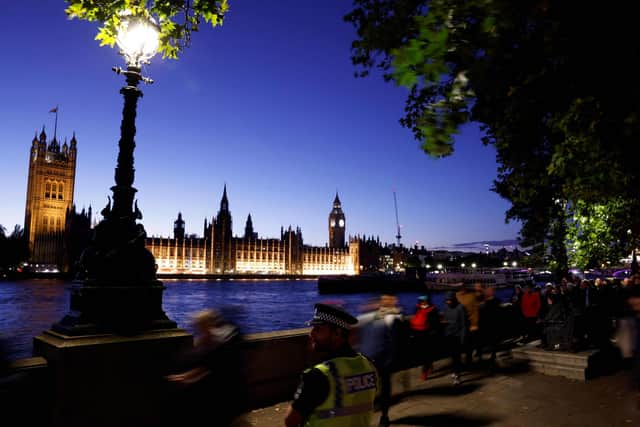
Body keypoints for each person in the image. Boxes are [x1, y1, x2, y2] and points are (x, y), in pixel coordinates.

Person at [285, 303, 379, 427]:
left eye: (318, 329)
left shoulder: (319, 375)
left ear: (337, 333)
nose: (311, 334)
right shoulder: (369, 366)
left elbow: (290, 421)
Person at [165, 309, 246, 426]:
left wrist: (186, 378)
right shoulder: (211, 338)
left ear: (207, 324)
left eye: (198, 326)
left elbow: (211, 367)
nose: (196, 329)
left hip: (221, 394)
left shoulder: (219, 342)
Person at [354, 294, 403, 427]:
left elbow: (397, 341)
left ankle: (384, 416)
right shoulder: (368, 318)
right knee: (369, 390)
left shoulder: (392, 318)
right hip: (368, 359)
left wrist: (391, 358)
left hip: (384, 360)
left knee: (384, 389)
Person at [408, 294, 440, 380]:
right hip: (419, 333)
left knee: (426, 353)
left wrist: (433, 332)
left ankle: (424, 372)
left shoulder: (431, 309)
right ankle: (429, 365)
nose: (422, 302)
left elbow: (435, 323)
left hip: (427, 334)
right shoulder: (418, 308)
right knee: (423, 353)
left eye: (424, 300)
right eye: (421, 300)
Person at [441, 291, 467, 386]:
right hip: (449, 336)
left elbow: (464, 325)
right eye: (447, 300)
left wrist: (462, 338)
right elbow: (445, 320)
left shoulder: (461, 308)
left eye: (450, 300)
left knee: (457, 358)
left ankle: (457, 376)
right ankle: (455, 372)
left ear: (454, 299)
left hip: (457, 337)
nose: (448, 302)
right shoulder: (446, 308)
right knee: (452, 356)